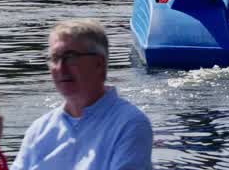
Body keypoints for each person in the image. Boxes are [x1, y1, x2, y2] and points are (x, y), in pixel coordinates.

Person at [13, 20, 152, 170]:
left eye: (70, 57)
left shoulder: (129, 124)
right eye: (55, 58)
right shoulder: (39, 130)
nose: (60, 67)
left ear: (99, 64)